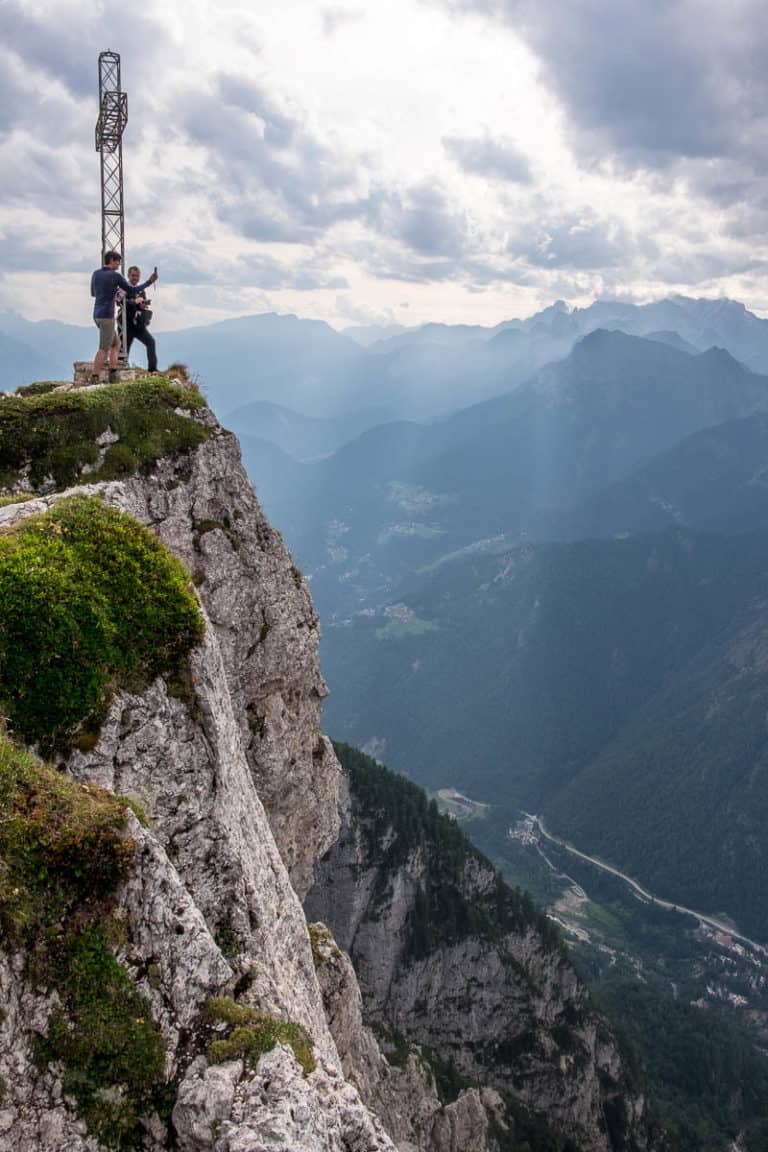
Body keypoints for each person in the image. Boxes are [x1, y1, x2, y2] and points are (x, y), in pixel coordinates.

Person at [90, 252, 157, 385]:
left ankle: (113, 373)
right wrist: (150, 281)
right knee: (104, 348)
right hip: (107, 316)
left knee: (117, 344)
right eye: (118, 262)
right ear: (112, 261)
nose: (119, 264)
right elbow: (132, 290)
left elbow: (93, 293)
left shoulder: (96, 274)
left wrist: (108, 292)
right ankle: (95, 376)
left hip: (97, 314)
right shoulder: (115, 276)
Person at [124, 265, 158, 373]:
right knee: (125, 350)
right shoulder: (124, 288)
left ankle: (152, 370)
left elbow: (140, 304)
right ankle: (121, 369)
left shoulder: (141, 290)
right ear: (128, 275)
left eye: (137, 276)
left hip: (139, 324)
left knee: (151, 342)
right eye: (133, 276)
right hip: (126, 324)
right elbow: (121, 302)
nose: (135, 278)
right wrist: (134, 302)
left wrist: (142, 305)